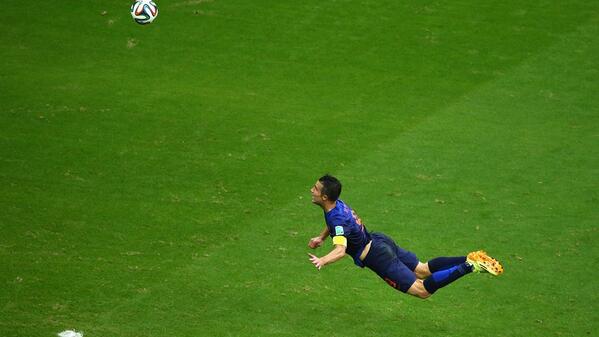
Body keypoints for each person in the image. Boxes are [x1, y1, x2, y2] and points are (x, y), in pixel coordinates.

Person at [307, 174, 503, 299]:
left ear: (325, 197)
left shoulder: (335, 217)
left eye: (315, 189)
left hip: (376, 255)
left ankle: (469, 266)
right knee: (423, 269)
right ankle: (472, 257)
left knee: (422, 290)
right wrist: (322, 237)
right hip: (380, 240)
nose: (312, 190)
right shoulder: (337, 204)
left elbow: (340, 250)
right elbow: (337, 225)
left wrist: (323, 260)